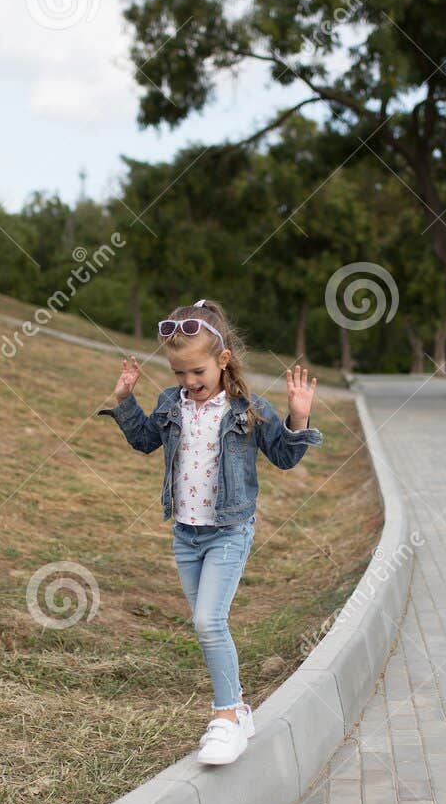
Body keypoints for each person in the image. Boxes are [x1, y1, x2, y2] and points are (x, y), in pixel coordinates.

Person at [99, 298, 322, 766]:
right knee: (206, 626)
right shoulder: (170, 404)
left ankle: (224, 718)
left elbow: (284, 456)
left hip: (229, 531)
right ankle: (238, 708)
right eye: (179, 373)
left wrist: (298, 417)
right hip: (186, 535)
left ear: (222, 360)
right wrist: (124, 400)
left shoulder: (247, 409)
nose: (189, 382)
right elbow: (143, 441)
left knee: (208, 621)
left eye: (197, 371)